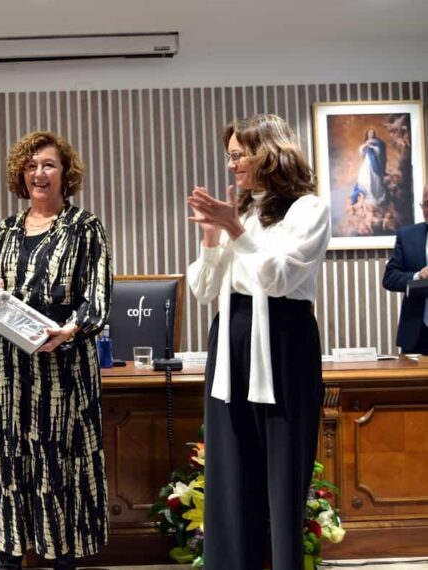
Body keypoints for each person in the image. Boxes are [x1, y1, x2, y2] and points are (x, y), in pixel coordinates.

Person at [186, 113, 330, 570]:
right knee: (230, 477)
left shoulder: (308, 209)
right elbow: (204, 290)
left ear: (266, 151)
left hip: (284, 342)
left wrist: (235, 231)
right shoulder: (240, 211)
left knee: (283, 478)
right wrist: (212, 239)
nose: (231, 165)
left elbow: (278, 277)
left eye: (237, 155)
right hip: (230, 341)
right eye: (228, 156)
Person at [0, 131, 112, 570]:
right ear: (22, 173)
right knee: (8, 460)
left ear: (65, 173)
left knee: (59, 467)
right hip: (10, 368)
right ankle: (9, 558)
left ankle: (62, 561)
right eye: (32, 165)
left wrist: (71, 328)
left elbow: (97, 297)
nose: (39, 172)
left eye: (49, 165)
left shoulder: (85, 227)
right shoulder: (3, 230)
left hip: (63, 365)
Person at [382, 185, 428, 354]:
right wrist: (417, 276)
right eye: (426, 204)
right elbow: (389, 278)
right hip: (418, 332)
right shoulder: (407, 236)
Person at [351, 127, 387, 205]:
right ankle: (366, 196)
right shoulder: (365, 143)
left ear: (374, 134)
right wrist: (365, 146)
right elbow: (361, 153)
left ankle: (374, 197)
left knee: (374, 178)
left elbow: (379, 152)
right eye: (369, 133)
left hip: (374, 163)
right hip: (367, 162)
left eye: (372, 133)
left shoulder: (377, 142)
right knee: (363, 178)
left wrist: (371, 147)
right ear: (367, 134)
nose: (371, 134)